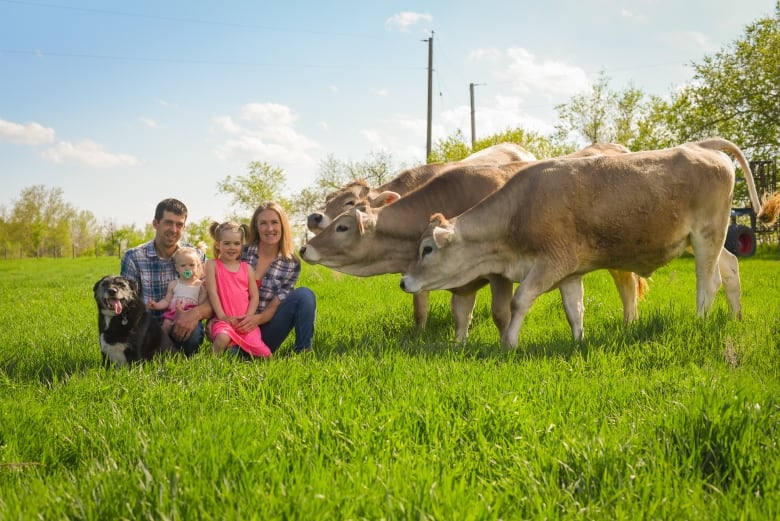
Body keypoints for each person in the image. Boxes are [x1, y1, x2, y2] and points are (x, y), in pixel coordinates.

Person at [120, 198, 212, 356]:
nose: (174, 229)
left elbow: (213, 297)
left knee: (194, 333)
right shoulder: (134, 257)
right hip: (147, 328)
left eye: (179, 224)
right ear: (156, 223)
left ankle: (182, 358)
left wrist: (194, 314)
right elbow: (127, 304)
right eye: (168, 222)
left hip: (182, 323)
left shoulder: (195, 256)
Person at [237, 201, 316, 354]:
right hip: (236, 325)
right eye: (263, 223)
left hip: (265, 329)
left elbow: (274, 306)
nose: (270, 229)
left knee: (304, 295)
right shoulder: (242, 253)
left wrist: (256, 320)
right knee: (233, 355)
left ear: (282, 226)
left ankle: (303, 352)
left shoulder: (291, 263)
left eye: (274, 222)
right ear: (256, 227)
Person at [205, 221, 272, 358]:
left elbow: (254, 296)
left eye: (236, 243)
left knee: (265, 354)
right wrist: (222, 316)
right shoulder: (212, 265)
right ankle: (209, 364)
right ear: (218, 244)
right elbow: (212, 292)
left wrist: (249, 316)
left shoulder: (246, 268)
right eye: (227, 243)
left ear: (242, 246)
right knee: (222, 338)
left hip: (244, 323)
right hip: (224, 321)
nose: (232, 247)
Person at [147, 246, 208, 351]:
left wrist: (204, 292)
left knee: (192, 333)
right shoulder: (174, 284)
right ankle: (162, 348)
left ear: (198, 266)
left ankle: (187, 352)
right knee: (165, 327)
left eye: (191, 265)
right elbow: (166, 301)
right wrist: (156, 305)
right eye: (183, 265)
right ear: (177, 268)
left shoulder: (199, 285)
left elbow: (201, 303)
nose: (187, 268)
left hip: (189, 314)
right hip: (172, 314)